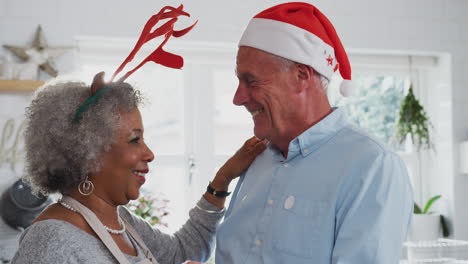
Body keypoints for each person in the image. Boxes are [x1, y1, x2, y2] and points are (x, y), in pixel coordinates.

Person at [215, 2, 413, 263]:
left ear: (301, 76)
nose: (238, 98)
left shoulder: (372, 166)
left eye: (251, 81)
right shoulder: (256, 158)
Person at [11, 72, 266, 264]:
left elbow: (183, 251)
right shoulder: (49, 241)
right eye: (134, 140)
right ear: (88, 153)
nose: (149, 153)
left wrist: (222, 180)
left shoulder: (121, 221)